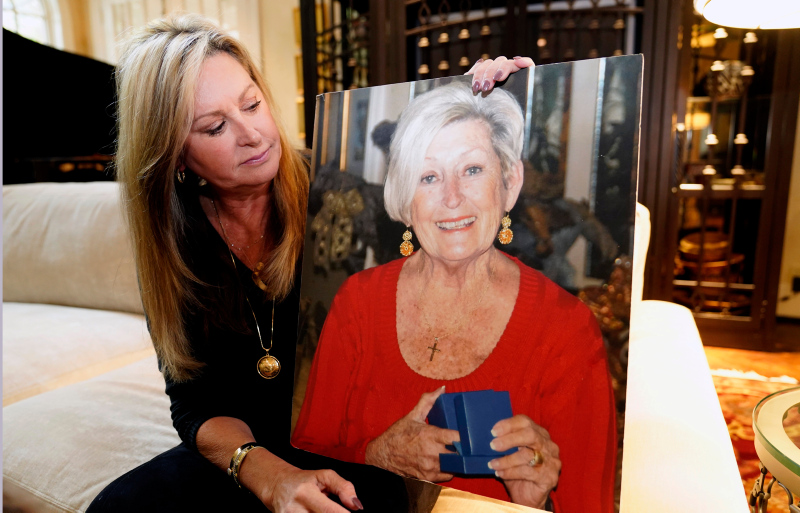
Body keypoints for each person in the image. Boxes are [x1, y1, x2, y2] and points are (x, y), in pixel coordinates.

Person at [86, 13, 533, 513]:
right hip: (254, 447)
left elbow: (465, 278)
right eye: (215, 127)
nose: (253, 134)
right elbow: (195, 404)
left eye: (252, 104)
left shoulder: (341, 194)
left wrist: (473, 110)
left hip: (364, 444)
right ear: (176, 157)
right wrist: (268, 475)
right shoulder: (176, 239)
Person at [292, 82, 617, 513]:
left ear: (510, 183)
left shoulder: (567, 327)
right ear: (405, 199)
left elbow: (589, 503)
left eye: (472, 170)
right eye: (429, 177)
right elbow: (307, 468)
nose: (451, 198)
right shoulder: (358, 302)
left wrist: (536, 506)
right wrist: (376, 455)